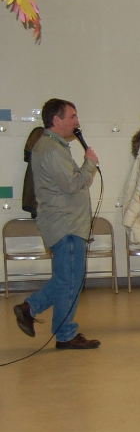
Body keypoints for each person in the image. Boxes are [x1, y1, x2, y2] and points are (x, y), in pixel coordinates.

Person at [13, 98, 101, 349]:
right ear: (56, 120)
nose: (77, 121)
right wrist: (90, 163)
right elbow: (72, 184)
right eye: (72, 116)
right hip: (66, 226)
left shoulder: (53, 146)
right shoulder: (51, 149)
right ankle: (64, 334)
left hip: (66, 224)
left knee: (67, 279)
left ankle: (30, 308)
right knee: (69, 281)